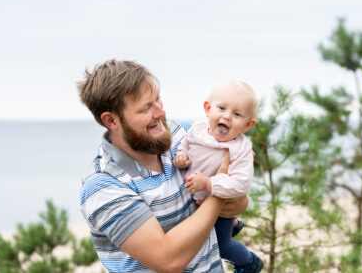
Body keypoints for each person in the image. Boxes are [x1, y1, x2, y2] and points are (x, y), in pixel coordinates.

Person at [77, 59, 249, 273]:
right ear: (111, 121)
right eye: (146, 108)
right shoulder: (103, 186)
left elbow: (239, 203)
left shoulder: (184, 136)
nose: (161, 113)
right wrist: (219, 187)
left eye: (158, 99)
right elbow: (168, 260)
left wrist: (232, 195)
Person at [173, 80, 263, 272]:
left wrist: (208, 183)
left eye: (237, 114)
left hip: (219, 205)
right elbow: (185, 147)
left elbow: (241, 184)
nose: (227, 116)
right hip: (196, 202)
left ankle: (250, 263)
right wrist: (181, 157)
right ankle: (235, 225)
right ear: (208, 108)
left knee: (223, 247)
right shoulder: (196, 130)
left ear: (248, 125)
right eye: (221, 108)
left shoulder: (240, 148)